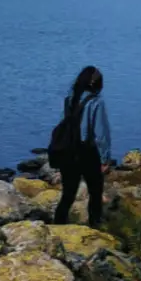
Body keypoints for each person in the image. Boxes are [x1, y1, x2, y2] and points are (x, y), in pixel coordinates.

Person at [54, 66, 112, 229]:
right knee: (95, 192)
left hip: (68, 151)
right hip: (87, 153)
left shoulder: (69, 99)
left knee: (68, 194)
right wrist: (105, 159)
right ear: (97, 84)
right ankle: (95, 226)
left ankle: (57, 227)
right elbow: (101, 134)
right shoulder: (95, 102)